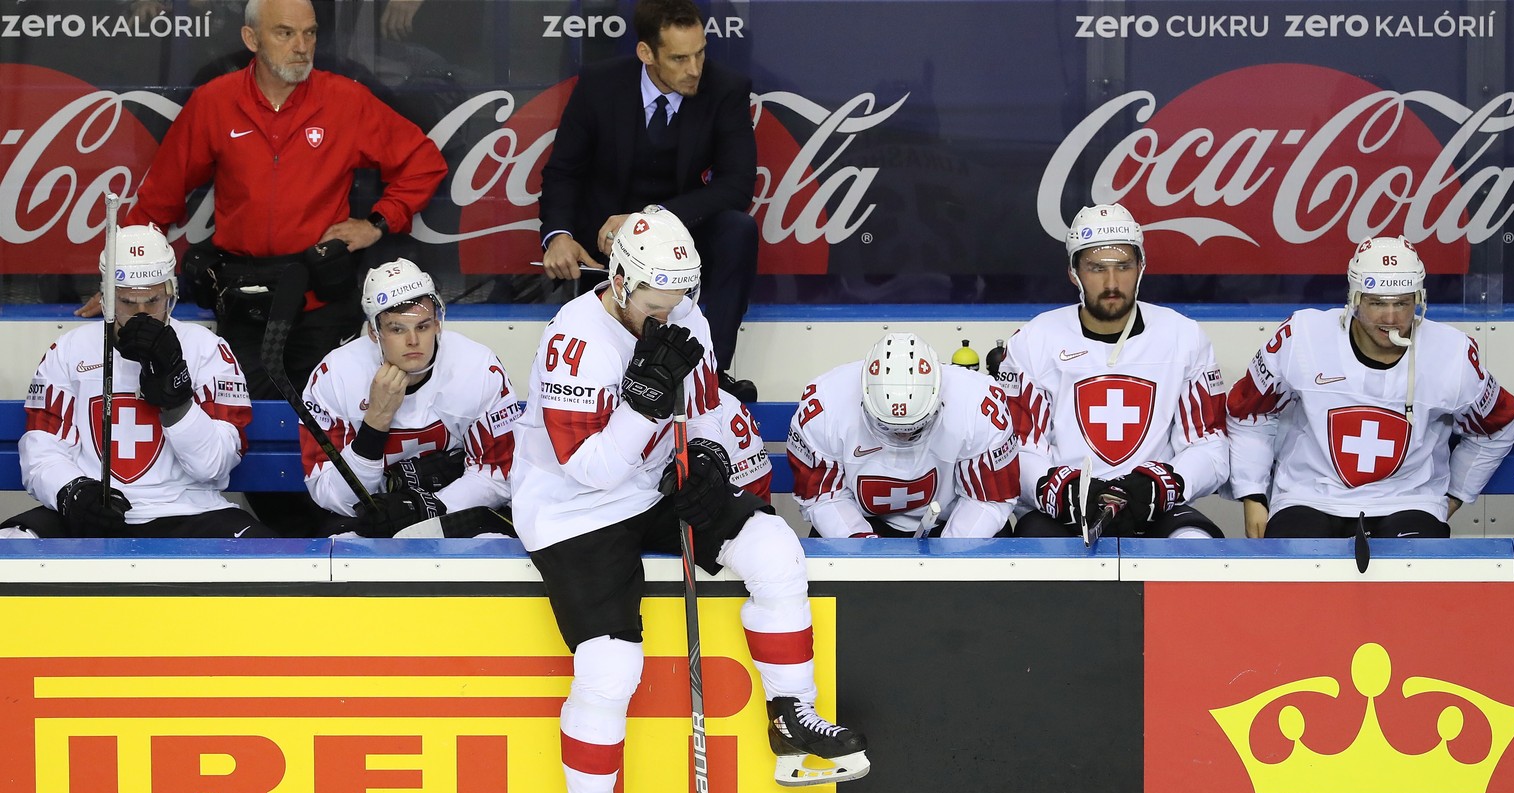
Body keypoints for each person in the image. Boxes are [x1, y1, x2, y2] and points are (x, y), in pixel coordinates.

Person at [510, 205, 869, 793]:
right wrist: (642, 407)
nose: (667, 315)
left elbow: (702, 410)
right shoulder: (573, 341)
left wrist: (710, 466)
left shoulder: (685, 312)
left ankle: (792, 719)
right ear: (617, 280)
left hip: (648, 484)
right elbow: (587, 468)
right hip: (571, 509)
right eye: (653, 302)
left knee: (774, 551)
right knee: (611, 664)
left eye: (678, 301)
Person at [119, 0, 448, 402]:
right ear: (251, 38)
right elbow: (159, 198)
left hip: (321, 300)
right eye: (285, 33)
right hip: (244, 302)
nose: (301, 45)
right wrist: (120, 277)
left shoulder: (345, 100)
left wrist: (378, 223)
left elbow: (424, 161)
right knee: (244, 424)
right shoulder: (215, 102)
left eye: (309, 33)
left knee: (329, 422)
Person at [538, 0, 759, 403]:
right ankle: (594, 376)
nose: (695, 69)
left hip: (681, 232)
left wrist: (649, 219)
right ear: (646, 53)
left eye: (701, 53)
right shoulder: (599, 84)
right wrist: (558, 236)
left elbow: (737, 185)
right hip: (604, 236)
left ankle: (712, 373)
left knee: (737, 230)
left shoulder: (725, 88)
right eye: (679, 58)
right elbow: (563, 171)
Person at [1227, 236, 1514, 538]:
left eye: (1403, 303)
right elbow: (1250, 412)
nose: (1391, 317)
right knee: (1295, 574)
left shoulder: (1453, 353)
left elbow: (1498, 423)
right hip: (1308, 497)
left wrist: (1455, 495)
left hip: (1410, 501)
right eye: (1377, 302)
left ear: (1419, 299)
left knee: (1414, 576)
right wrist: (1253, 494)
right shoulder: (1302, 336)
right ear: (1354, 299)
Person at [1, 225, 276, 539]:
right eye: (129, 302)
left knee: (270, 559)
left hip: (189, 510)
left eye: (153, 300)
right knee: (12, 542)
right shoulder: (67, 351)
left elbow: (214, 466)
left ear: (170, 293)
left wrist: (178, 400)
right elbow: (42, 449)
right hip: (98, 512)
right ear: (105, 297)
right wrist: (72, 492)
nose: (142, 313)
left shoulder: (208, 349)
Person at [1000, 203, 1229, 538]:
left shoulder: (1184, 337)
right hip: (1065, 507)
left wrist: (1161, 485)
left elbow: (1210, 445)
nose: (1111, 282)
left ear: (1141, 268)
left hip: (1154, 503)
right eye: (1096, 268)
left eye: (1123, 266)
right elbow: (1015, 447)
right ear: (1073, 273)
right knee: (1038, 557)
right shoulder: (1033, 340)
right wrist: (1062, 490)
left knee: (1196, 544)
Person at [301, 259, 519, 537]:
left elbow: (499, 474)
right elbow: (330, 494)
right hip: (369, 514)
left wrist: (428, 507)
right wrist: (375, 423)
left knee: (493, 544)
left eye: (423, 326)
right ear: (373, 332)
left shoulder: (479, 367)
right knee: (345, 545)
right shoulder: (335, 375)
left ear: (438, 325)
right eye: (397, 329)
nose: (413, 341)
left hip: (456, 508)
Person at [786, 333, 1020, 538]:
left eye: (914, 428)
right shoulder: (825, 403)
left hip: (950, 520)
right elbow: (824, 496)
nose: (902, 438)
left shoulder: (978, 402)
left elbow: (988, 498)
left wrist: (951, 553)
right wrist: (860, 544)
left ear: (938, 399)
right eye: (890, 428)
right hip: (862, 518)